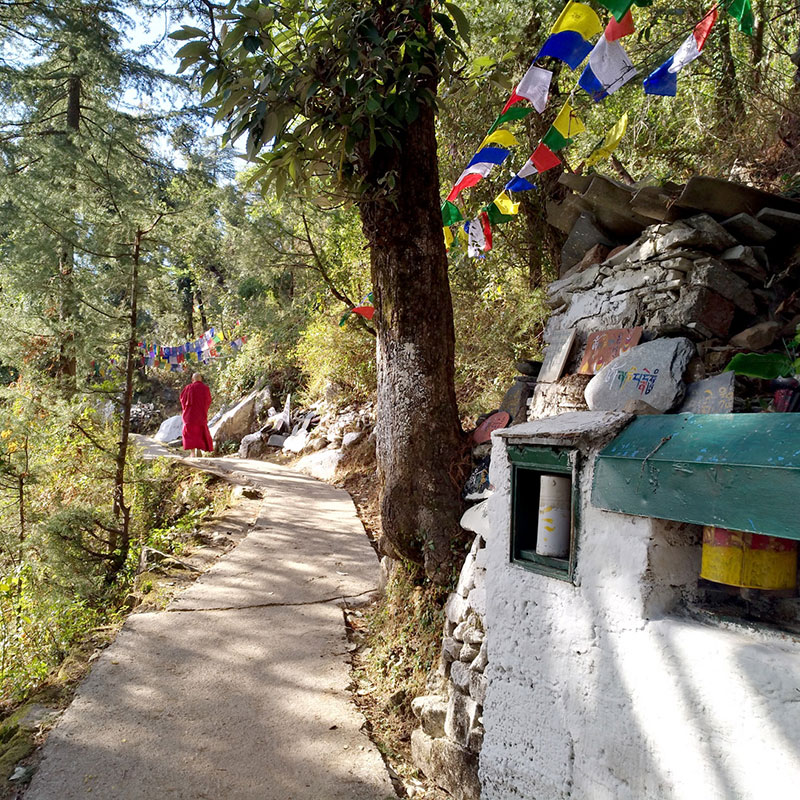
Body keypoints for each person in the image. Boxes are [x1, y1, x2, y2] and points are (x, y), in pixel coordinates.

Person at [180, 373, 213, 457]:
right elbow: (208, 400)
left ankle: (192, 453)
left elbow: (183, 400)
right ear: (201, 379)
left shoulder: (188, 388)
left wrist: (185, 409)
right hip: (201, 415)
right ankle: (199, 449)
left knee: (190, 433)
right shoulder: (205, 388)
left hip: (190, 416)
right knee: (200, 432)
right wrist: (204, 409)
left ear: (192, 379)